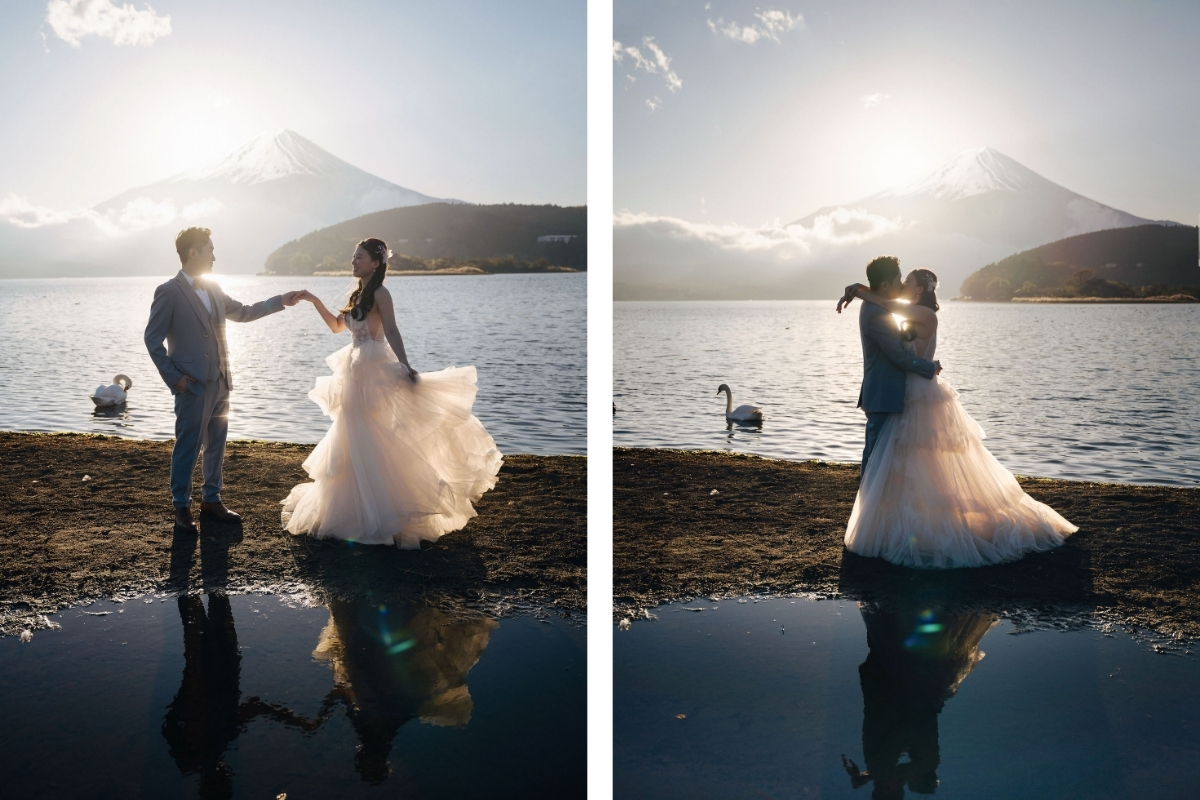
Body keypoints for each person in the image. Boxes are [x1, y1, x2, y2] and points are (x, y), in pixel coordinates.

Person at [837, 267, 1077, 568]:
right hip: (907, 389)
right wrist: (860, 288)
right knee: (907, 459)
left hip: (919, 389)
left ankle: (917, 521)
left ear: (921, 289)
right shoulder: (910, 310)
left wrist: (860, 289)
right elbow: (890, 316)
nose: (903, 285)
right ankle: (897, 518)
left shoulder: (925, 314)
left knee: (923, 458)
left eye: (908, 282)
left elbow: (889, 308)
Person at [281, 238, 502, 548]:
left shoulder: (382, 294)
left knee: (372, 436)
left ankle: (383, 512)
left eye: (358, 257)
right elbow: (335, 327)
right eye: (353, 257)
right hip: (354, 371)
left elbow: (393, 330)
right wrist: (314, 299)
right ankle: (353, 511)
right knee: (351, 436)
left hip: (373, 370)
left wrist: (406, 365)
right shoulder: (357, 293)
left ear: (375, 262)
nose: (353, 262)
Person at [145, 227, 302, 532]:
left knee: (217, 443)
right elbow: (152, 340)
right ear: (193, 252)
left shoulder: (214, 288)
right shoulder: (168, 291)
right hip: (191, 384)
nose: (214, 256)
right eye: (210, 250)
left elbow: (243, 312)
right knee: (188, 445)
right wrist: (175, 379)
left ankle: (211, 500)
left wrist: (279, 300)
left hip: (221, 381)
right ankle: (182, 507)